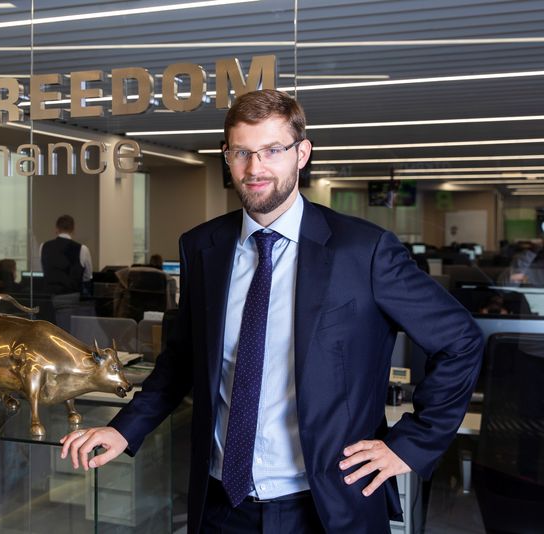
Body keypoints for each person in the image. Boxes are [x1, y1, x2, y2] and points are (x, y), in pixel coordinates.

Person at [60, 89, 483, 533]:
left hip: (325, 506)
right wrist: (125, 428)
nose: (255, 167)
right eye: (241, 152)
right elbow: (183, 359)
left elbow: (460, 341)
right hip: (222, 504)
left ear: (302, 154)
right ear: (227, 156)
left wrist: (410, 443)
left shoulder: (364, 251)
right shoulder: (203, 247)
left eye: (272, 150)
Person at [40, 214, 93, 295]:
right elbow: (87, 277)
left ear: (56, 229)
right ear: (73, 230)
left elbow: (43, 271)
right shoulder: (82, 249)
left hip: (49, 300)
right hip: (72, 299)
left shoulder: (43, 246)